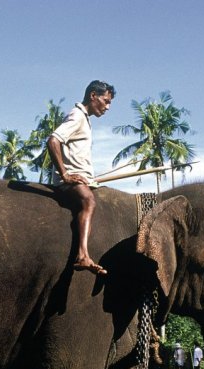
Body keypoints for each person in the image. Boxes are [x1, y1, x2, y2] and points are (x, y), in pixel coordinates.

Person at [47, 80, 115, 276]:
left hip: (81, 179)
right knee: (89, 201)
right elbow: (53, 141)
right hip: (69, 182)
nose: (107, 107)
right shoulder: (77, 116)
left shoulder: (85, 120)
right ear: (93, 96)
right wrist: (65, 174)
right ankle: (83, 255)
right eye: (106, 101)